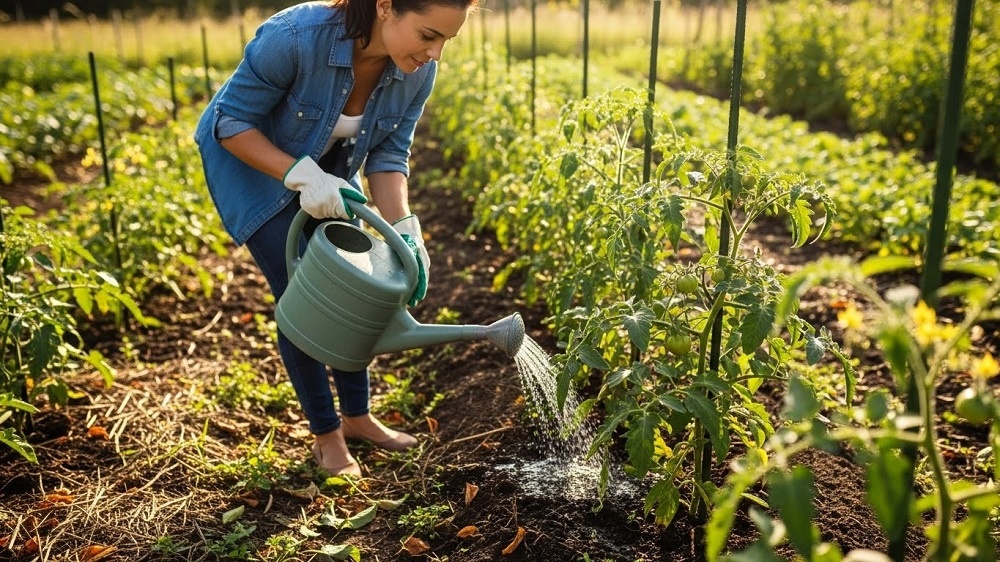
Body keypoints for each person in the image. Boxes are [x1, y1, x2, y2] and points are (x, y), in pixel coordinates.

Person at [194, 0, 475, 477]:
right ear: (385, 6)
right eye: (429, 35)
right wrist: (300, 175)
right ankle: (327, 435)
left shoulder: (415, 71)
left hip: (330, 171)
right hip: (254, 166)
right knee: (305, 291)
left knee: (356, 280)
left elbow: (389, 154)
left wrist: (404, 228)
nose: (436, 54)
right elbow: (230, 122)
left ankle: (358, 417)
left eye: (446, 40)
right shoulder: (297, 37)